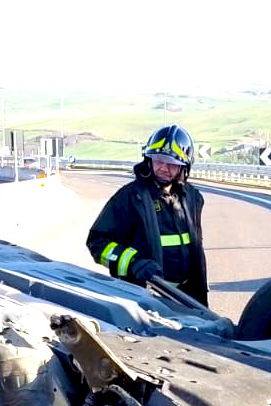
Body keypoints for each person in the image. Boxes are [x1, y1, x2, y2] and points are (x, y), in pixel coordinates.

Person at [86, 124, 210, 305]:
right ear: (148, 159)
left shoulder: (192, 197)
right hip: (143, 298)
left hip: (186, 299)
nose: (164, 168)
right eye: (159, 160)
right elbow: (97, 243)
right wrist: (133, 263)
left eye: (172, 164)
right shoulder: (130, 197)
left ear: (184, 167)